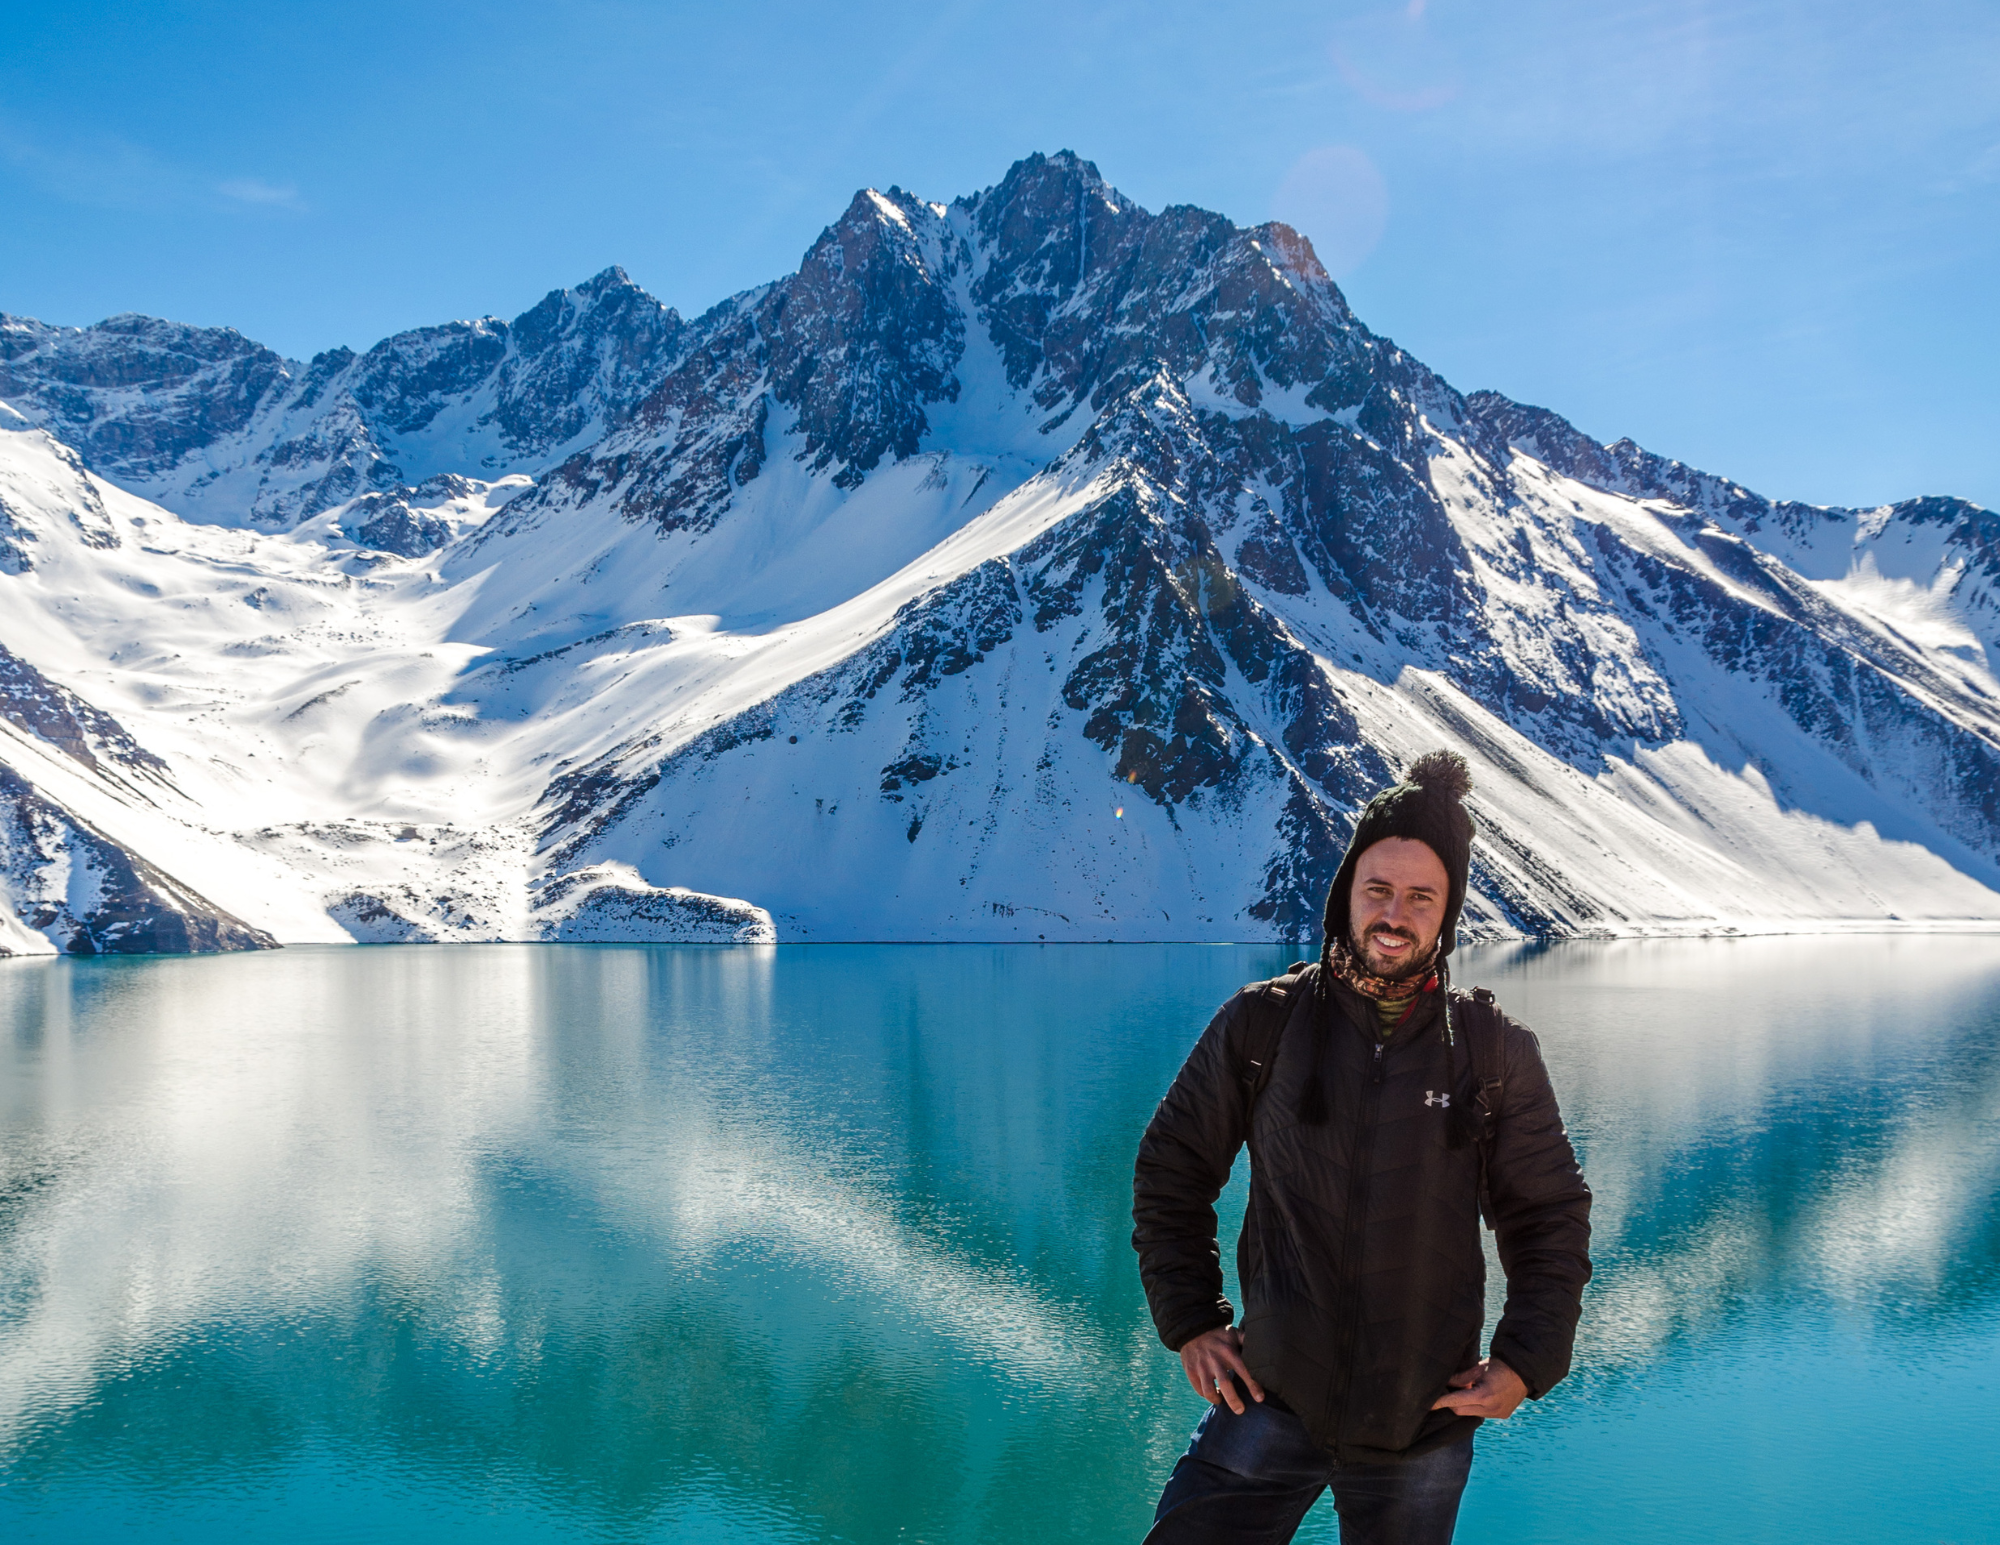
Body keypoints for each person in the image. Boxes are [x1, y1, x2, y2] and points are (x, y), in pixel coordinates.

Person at [1131, 750, 1592, 1544]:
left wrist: (1526, 1358)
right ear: (1345, 889)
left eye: (1421, 896)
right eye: (1377, 888)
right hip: (1268, 1396)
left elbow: (1548, 1213)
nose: (1394, 914)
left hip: (1421, 1422)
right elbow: (1172, 1168)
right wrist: (1193, 1320)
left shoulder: (1492, 1051)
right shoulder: (1262, 1024)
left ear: (1446, 913)